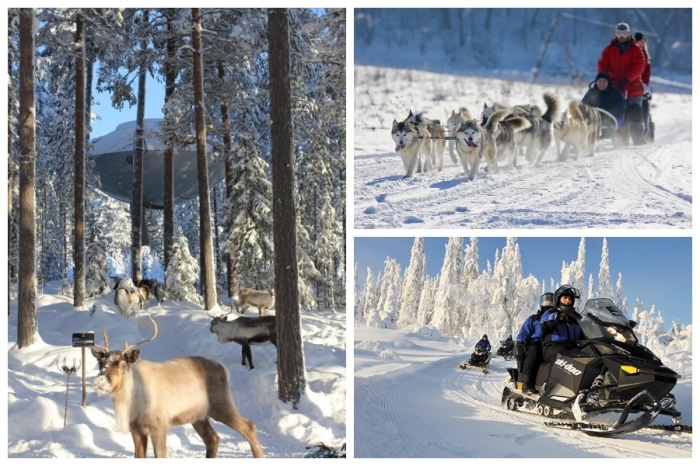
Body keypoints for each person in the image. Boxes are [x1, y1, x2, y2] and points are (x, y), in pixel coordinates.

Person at [597, 22, 647, 145]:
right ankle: (621, 139)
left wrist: (627, 79)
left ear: (628, 33)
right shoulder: (608, 50)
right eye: (619, 33)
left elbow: (639, 66)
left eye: (624, 33)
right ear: (616, 34)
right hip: (615, 87)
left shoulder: (636, 49)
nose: (622, 36)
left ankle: (638, 138)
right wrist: (605, 79)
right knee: (618, 111)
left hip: (633, 86)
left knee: (634, 110)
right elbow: (602, 65)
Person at [515, 292, 554, 395]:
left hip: (551, 345)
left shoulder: (556, 318)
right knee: (534, 350)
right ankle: (527, 382)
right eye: (546, 300)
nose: (548, 303)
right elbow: (524, 332)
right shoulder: (534, 319)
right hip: (536, 343)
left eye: (551, 301)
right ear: (541, 303)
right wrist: (520, 343)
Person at [540, 285, 583, 365]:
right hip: (553, 347)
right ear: (558, 299)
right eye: (565, 298)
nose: (568, 301)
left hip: (571, 346)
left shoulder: (574, 316)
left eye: (570, 299)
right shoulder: (551, 312)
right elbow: (543, 325)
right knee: (560, 353)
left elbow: (583, 331)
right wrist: (558, 318)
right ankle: (553, 377)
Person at [634, 31, 653, 139]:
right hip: (631, 84)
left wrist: (643, 85)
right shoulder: (631, 53)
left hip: (640, 85)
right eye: (639, 41)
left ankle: (645, 127)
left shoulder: (646, 58)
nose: (641, 43)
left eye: (642, 41)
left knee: (644, 102)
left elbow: (646, 74)